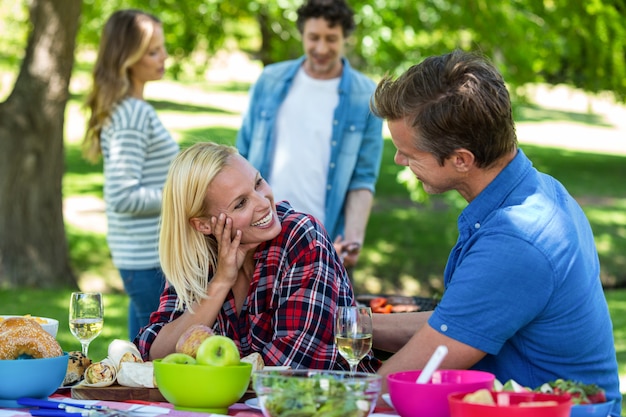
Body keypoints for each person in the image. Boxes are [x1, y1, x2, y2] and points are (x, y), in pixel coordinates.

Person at [369, 50, 622, 415]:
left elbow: (403, 383)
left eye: (409, 153)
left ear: (461, 159)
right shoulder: (539, 191)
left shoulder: (517, 240)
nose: (398, 161)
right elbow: (453, 328)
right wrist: (357, 323)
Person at [134, 142, 381, 372]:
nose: (263, 203)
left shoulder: (301, 237)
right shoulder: (201, 256)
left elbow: (295, 364)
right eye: (240, 203)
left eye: (258, 183)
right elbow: (153, 355)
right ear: (203, 225)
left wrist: (206, 374)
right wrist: (221, 282)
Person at [236, 0, 384, 269]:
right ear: (302, 34)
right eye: (313, 37)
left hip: (321, 240)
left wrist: (352, 238)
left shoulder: (366, 97)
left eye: (331, 39)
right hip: (259, 232)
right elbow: (240, 156)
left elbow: (362, 178)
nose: (321, 48)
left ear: (345, 39)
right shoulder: (269, 81)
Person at [83, 9, 180, 341]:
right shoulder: (133, 114)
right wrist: (183, 195)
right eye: (153, 51)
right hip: (147, 259)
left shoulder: (130, 109)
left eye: (162, 48)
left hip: (145, 257)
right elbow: (123, 196)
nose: (164, 56)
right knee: (155, 356)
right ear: (128, 58)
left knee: (137, 357)